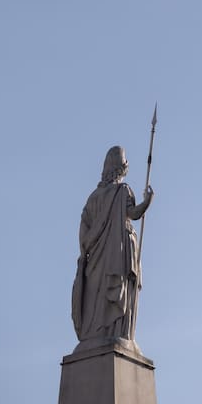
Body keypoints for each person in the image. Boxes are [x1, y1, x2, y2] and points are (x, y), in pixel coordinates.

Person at [71, 145, 154, 347]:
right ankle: (118, 334)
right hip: (118, 253)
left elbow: (83, 230)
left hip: (96, 259)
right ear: (122, 168)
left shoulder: (93, 198)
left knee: (97, 298)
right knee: (118, 293)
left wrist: (87, 249)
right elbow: (133, 214)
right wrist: (148, 201)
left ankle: (96, 335)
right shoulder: (122, 191)